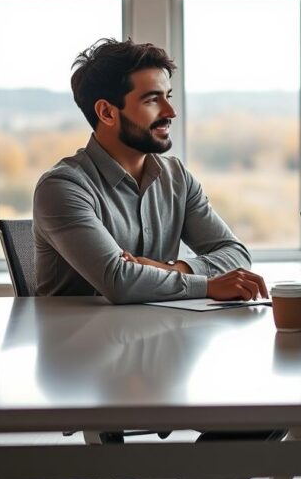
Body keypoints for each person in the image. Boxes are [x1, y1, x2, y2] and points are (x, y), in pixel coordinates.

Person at [33, 37, 268, 304]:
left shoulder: (177, 178)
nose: (170, 111)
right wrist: (208, 286)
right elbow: (120, 281)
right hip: (80, 342)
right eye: (152, 100)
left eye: (167, 96)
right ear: (107, 112)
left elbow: (236, 254)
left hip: (159, 336)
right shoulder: (62, 187)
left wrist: (171, 269)